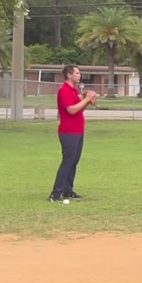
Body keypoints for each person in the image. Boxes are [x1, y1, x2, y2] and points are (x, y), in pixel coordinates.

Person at [48, 65, 97, 203]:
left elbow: (79, 109)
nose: (79, 75)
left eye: (79, 73)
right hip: (68, 132)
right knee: (68, 161)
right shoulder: (64, 90)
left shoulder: (73, 91)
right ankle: (55, 193)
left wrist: (88, 100)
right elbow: (71, 110)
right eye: (76, 73)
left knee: (74, 162)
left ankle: (67, 190)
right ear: (69, 75)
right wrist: (86, 99)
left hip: (78, 131)